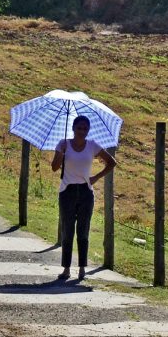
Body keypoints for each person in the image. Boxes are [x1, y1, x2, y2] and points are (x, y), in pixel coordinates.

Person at [51, 115, 116, 282]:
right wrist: (62, 153)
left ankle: (81, 268)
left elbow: (111, 162)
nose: (82, 131)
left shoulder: (92, 145)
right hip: (67, 191)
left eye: (85, 129)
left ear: (88, 130)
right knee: (67, 230)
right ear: (73, 128)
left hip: (86, 192)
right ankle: (66, 269)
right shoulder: (63, 143)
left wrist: (96, 177)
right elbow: (54, 168)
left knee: (83, 231)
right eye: (79, 128)